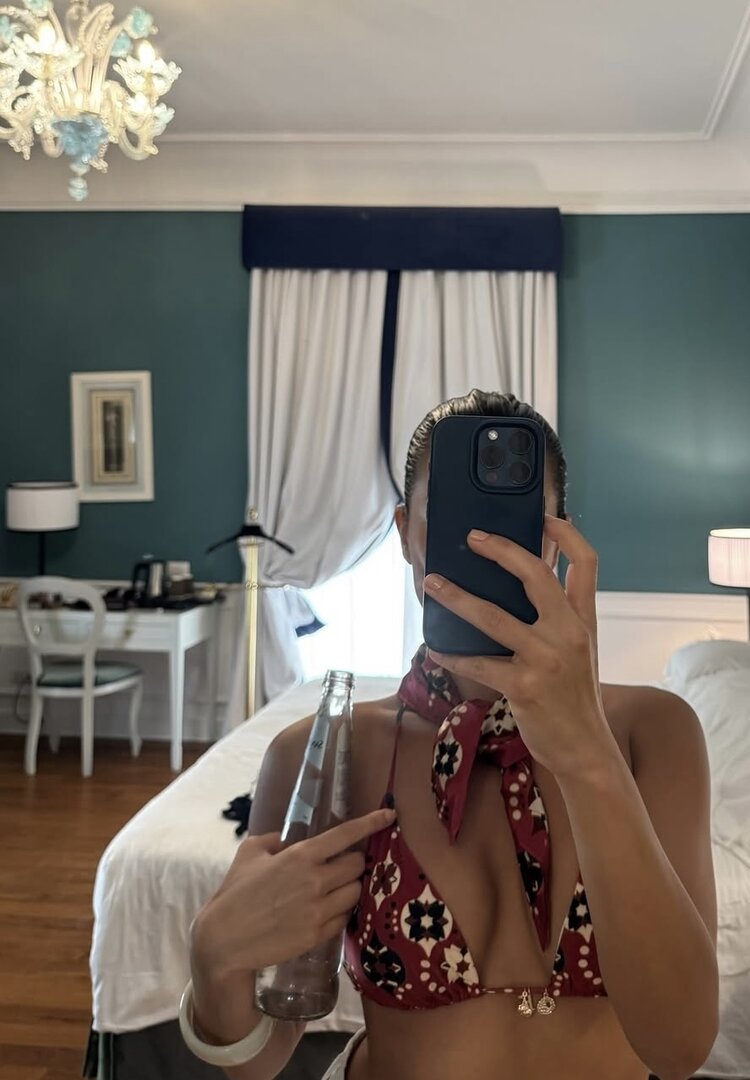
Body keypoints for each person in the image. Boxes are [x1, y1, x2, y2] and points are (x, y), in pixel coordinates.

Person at [187, 391, 718, 1080]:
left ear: (556, 540)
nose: (480, 546)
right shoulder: (324, 752)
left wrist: (589, 758)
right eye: (450, 521)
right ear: (406, 534)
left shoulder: (653, 734)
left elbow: (679, 1049)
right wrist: (213, 962)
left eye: (513, 524)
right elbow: (261, 1060)